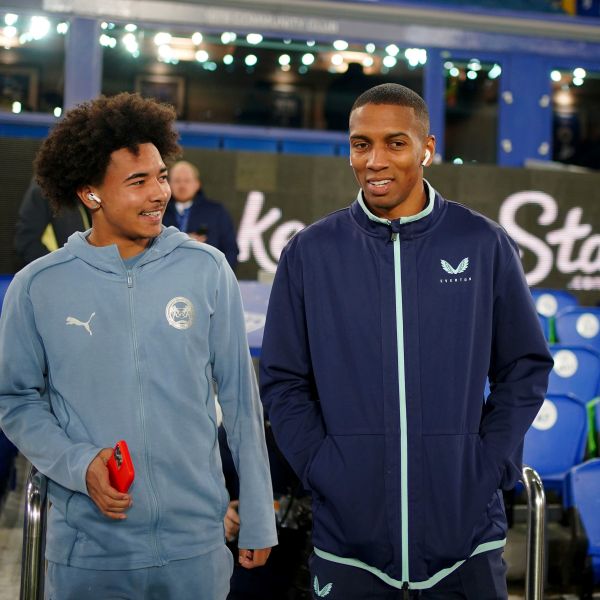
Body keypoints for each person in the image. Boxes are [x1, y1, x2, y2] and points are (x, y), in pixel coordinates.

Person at [260, 83, 553, 599]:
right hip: (349, 542)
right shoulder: (310, 252)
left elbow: (523, 368)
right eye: (360, 144)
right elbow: (284, 380)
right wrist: (322, 468)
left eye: (395, 143)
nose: (375, 160)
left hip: (464, 539)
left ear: (427, 149)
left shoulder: (482, 243)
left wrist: (486, 465)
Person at [0, 92, 277, 600]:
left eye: (161, 175)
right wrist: (77, 462)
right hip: (89, 553)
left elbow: (240, 399)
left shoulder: (207, 269)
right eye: (137, 181)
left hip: (196, 547)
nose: (159, 194)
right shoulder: (38, 286)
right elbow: (14, 400)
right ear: (90, 193)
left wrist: (257, 512)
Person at [163, 160, 239, 270]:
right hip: (166, 278)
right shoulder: (158, 212)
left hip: (206, 279)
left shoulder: (216, 212)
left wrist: (218, 276)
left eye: (187, 180)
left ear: (197, 184)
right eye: (177, 181)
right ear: (169, 184)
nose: (182, 185)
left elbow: (231, 250)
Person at [14, 179, 91, 266]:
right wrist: (59, 268)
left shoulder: (80, 190)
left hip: (82, 272)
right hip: (59, 273)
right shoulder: (42, 189)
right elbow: (27, 243)